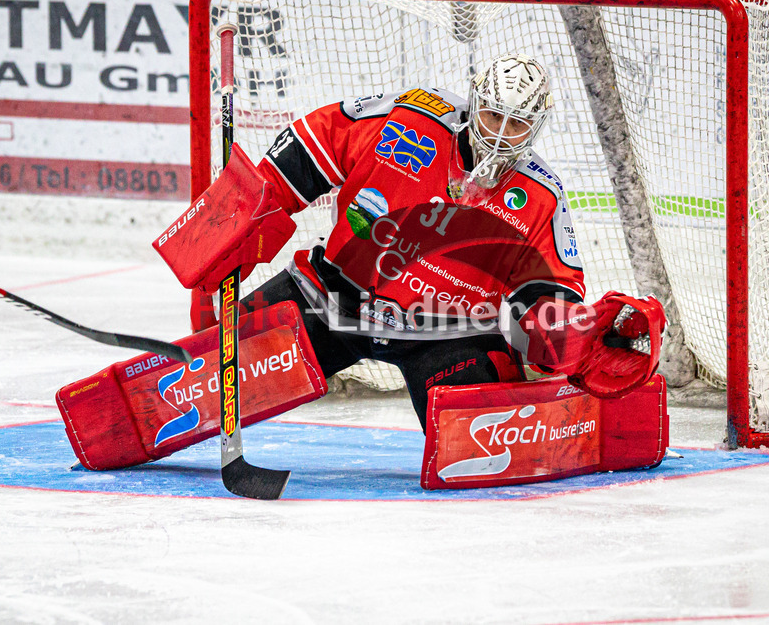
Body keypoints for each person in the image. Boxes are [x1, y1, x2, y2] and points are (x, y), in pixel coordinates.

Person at [235, 53, 590, 428]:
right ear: (475, 102)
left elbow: (553, 289)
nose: (500, 133)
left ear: (536, 126)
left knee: (475, 442)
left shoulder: (540, 193)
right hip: (332, 302)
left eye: (516, 123)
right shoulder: (413, 118)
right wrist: (248, 212)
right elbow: (317, 141)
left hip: (448, 336)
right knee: (208, 376)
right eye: (492, 115)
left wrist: (564, 336)